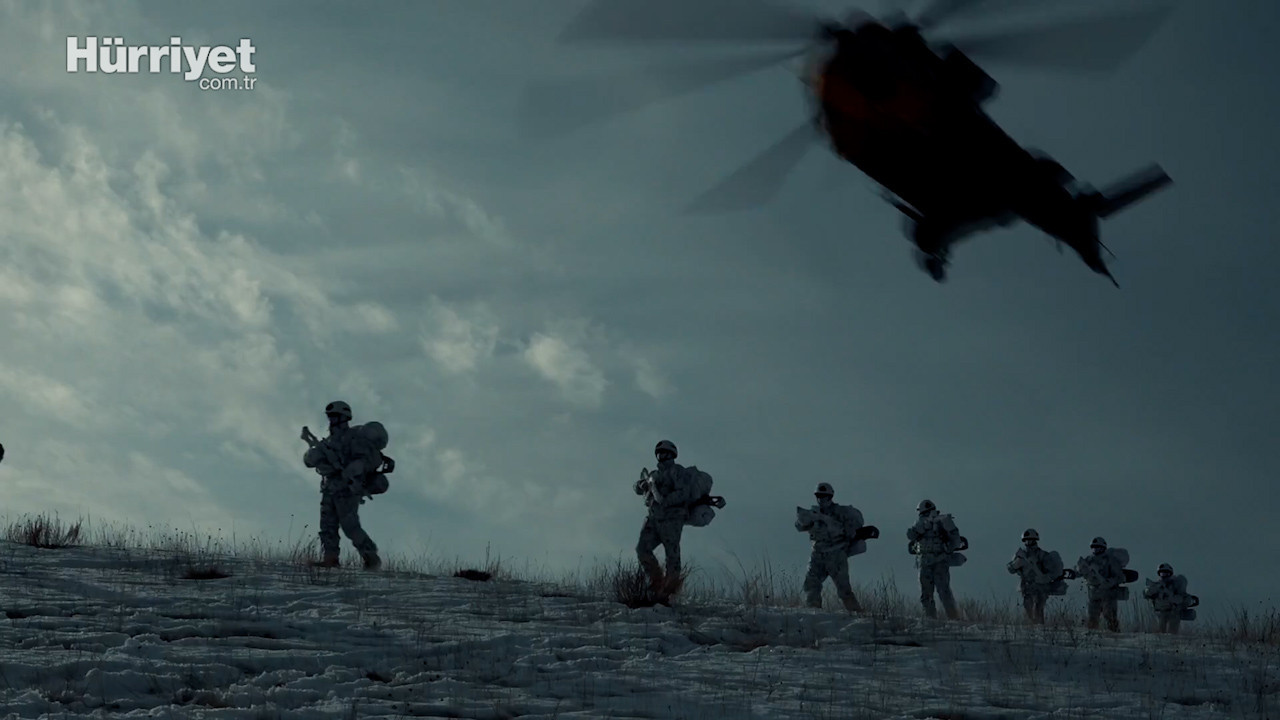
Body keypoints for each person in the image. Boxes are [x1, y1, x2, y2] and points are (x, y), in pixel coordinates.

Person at [301, 400, 383, 570]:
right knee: (327, 526)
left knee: (350, 526)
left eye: (335, 416)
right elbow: (312, 461)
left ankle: (371, 557)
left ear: (344, 417)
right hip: (329, 488)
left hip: (347, 489)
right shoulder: (329, 441)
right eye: (330, 416)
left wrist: (354, 470)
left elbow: (364, 460)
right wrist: (313, 455)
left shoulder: (354, 437)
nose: (331, 419)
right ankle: (330, 559)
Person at [795, 482, 876, 613]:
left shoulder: (841, 512)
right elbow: (800, 526)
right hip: (817, 553)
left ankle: (856, 614)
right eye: (818, 496)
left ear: (830, 496)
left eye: (824, 496)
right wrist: (808, 519)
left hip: (836, 554)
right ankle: (813, 612)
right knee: (811, 584)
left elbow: (849, 528)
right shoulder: (814, 513)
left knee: (844, 589)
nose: (821, 499)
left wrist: (828, 521)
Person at [634, 439, 698, 595]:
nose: (661, 456)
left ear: (671, 454)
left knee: (672, 555)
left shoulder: (678, 471)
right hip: (653, 518)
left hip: (672, 518)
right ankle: (656, 582)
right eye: (659, 453)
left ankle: (669, 590)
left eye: (664, 453)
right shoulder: (653, 474)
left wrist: (665, 501)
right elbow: (639, 487)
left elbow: (683, 492)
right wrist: (641, 485)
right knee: (642, 549)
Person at [906, 499, 965, 620]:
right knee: (927, 594)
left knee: (943, 592)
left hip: (939, 561)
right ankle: (931, 618)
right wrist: (923, 526)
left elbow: (955, 539)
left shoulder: (943, 521)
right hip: (925, 562)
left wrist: (948, 548)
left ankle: (953, 617)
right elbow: (910, 535)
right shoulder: (920, 524)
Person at [1006, 528, 1065, 624]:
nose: (1028, 542)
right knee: (1028, 609)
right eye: (1026, 540)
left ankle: (1040, 627)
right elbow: (1011, 569)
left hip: (1040, 587)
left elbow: (1051, 572)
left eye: (1030, 540)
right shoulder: (1021, 555)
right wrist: (1015, 564)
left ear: (1035, 540)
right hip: (1026, 586)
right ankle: (1031, 627)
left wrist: (1044, 578)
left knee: (1038, 609)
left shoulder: (1042, 555)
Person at [1071, 536, 1127, 632]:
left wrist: (1110, 582)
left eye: (1097, 547)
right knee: (1092, 617)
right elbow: (1081, 572)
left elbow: (1120, 577)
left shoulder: (1110, 560)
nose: (1095, 549)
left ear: (1103, 548)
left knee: (1110, 616)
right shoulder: (1089, 559)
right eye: (1093, 547)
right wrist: (1074, 573)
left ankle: (1115, 635)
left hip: (1108, 593)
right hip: (1094, 593)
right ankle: (1092, 636)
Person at [1143, 563, 1195, 635]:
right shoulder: (1157, 585)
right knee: (1161, 633)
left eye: (1166, 573)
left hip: (1173, 613)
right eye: (1162, 573)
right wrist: (1154, 590)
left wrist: (1170, 596)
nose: (1164, 576)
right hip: (1161, 613)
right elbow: (1147, 593)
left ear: (1170, 574)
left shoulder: (1175, 585)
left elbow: (1180, 599)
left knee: (1172, 633)